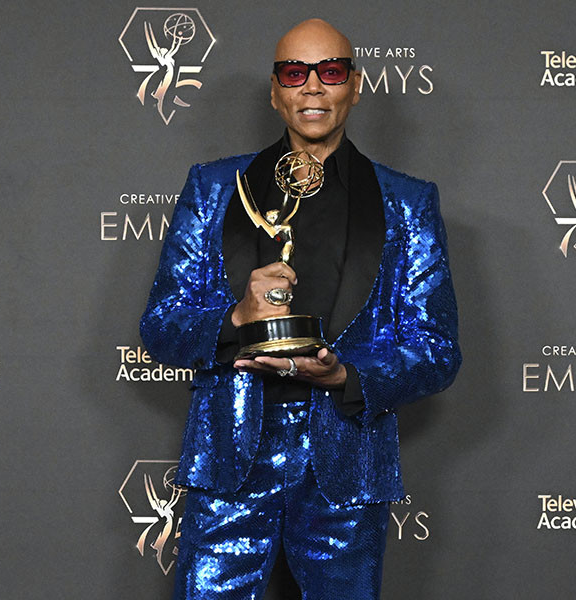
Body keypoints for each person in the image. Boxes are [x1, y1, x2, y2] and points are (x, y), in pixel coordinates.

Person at [140, 18, 461, 600]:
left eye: (330, 71)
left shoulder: (408, 202)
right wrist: (235, 318)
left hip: (345, 461)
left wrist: (347, 375)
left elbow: (436, 350)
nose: (312, 87)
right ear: (275, 90)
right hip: (229, 464)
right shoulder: (215, 189)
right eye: (295, 72)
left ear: (355, 86)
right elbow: (162, 326)